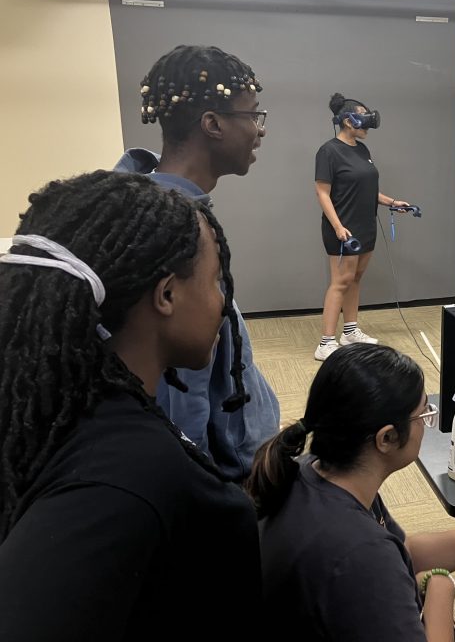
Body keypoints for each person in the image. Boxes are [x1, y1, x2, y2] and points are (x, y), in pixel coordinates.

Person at [0, 171, 262, 640]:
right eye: (216, 281)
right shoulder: (130, 480)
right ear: (166, 295)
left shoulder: (49, 412)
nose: (223, 301)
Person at [248, 344, 455, 642]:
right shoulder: (359, 554)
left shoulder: (316, 470)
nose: (427, 421)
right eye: (423, 413)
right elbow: (384, 560)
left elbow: (403, 550)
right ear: (386, 438)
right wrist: (441, 592)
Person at [115, 44, 280, 481]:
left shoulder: (155, 205)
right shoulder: (168, 230)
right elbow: (179, 391)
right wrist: (204, 488)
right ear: (212, 124)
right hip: (213, 477)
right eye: (253, 116)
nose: (260, 131)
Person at [313, 93, 410, 360]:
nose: (367, 126)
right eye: (363, 119)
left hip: (366, 225)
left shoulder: (362, 150)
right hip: (343, 228)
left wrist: (392, 202)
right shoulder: (329, 151)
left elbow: (368, 189)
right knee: (340, 282)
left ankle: (350, 332)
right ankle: (325, 343)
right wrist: (337, 226)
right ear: (347, 121)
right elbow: (322, 193)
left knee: (355, 279)